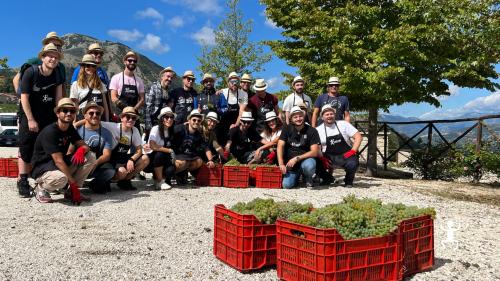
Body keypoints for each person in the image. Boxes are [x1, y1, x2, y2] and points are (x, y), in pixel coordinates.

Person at [17, 43, 64, 197]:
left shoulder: (57, 74)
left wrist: (59, 118)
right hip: (29, 113)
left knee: (47, 148)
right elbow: (24, 98)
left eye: (56, 57)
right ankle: (22, 180)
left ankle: (42, 180)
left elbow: (58, 99)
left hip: (48, 116)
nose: (53, 59)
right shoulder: (31, 72)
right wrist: (30, 119)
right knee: (26, 146)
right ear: (43, 57)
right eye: (50, 55)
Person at [31, 98, 96, 204]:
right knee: (62, 179)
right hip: (42, 167)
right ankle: (41, 188)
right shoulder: (50, 132)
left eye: (72, 111)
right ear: (58, 113)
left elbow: (85, 146)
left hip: (57, 164)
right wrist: (72, 181)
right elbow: (58, 161)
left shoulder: (70, 128)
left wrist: (81, 150)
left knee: (91, 156)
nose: (69, 113)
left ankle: (71, 192)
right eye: (65, 110)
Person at [102, 107, 149, 190]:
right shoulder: (113, 126)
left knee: (145, 159)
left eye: (133, 118)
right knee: (122, 172)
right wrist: (76, 124)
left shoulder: (135, 130)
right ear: (121, 118)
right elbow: (93, 121)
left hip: (123, 157)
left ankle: (125, 181)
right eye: (128, 117)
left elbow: (139, 150)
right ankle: (107, 180)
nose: (131, 120)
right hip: (111, 159)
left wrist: (131, 159)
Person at [316, 105, 362, 187]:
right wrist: (322, 158)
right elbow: (317, 147)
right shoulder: (318, 130)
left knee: (353, 163)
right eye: (327, 114)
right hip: (329, 157)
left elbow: (358, 136)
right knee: (314, 162)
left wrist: (353, 151)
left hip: (345, 155)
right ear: (322, 117)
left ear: (334, 115)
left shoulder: (343, 124)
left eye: (331, 114)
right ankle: (328, 178)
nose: (329, 116)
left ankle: (348, 181)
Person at [277, 106, 320, 189]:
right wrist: (281, 163)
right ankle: (296, 178)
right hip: (291, 164)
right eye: (295, 117)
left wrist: (297, 158)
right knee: (286, 185)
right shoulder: (286, 128)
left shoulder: (312, 131)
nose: (298, 119)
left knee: (309, 166)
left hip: (305, 160)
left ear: (304, 117)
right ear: (291, 119)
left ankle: (308, 177)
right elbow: (280, 146)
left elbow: (315, 152)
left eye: (300, 116)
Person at [77, 102, 115, 194]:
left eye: (97, 113)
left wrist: (95, 163)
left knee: (110, 171)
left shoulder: (106, 133)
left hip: (95, 165)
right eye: (91, 113)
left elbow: (107, 155)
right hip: (79, 165)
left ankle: (93, 184)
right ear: (85, 115)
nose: (95, 115)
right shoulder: (77, 131)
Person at [172, 110, 215, 184]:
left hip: (188, 157)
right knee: (184, 162)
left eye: (198, 120)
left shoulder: (199, 135)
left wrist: (211, 160)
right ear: (189, 120)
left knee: (199, 161)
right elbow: (167, 134)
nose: (196, 122)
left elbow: (206, 148)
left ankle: (182, 173)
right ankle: (165, 176)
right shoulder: (180, 129)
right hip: (176, 156)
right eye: (194, 120)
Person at [70, 43, 111, 120]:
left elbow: (106, 98)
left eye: (100, 54)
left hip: (100, 117)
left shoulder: (103, 72)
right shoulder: (77, 71)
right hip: (83, 118)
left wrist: (108, 118)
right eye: (95, 53)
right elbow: (74, 101)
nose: (98, 55)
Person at [143, 107, 176, 190]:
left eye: (171, 117)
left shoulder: (171, 130)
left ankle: (160, 179)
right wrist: (169, 150)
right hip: (153, 158)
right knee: (159, 154)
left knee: (171, 169)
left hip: (165, 158)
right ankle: (159, 180)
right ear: (162, 119)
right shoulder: (156, 129)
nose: (169, 119)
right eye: (166, 117)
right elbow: (153, 146)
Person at [109, 51, 145, 122]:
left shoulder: (139, 80)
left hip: (133, 116)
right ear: (125, 62)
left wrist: (133, 110)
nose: (132, 62)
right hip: (119, 114)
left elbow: (142, 99)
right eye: (130, 60)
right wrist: (125, 108)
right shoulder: (116, 77)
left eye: (134, 61)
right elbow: (113, 97)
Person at [216, 72, 248, 146]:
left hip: (236, 121)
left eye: (236, 82)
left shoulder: (243, 94)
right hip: (223, 122)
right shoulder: (223, 92)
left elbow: (241, 111)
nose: (234, 83)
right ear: (228, 83)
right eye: (232, 82)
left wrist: (236, 124)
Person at [144, 67, 175, 140]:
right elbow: (147, 108)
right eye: (168, 76)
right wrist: (148, 127)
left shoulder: (170, 91)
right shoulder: (153, 87)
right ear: (162, 77)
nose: (169, 79)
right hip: (153, 121)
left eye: (171, 77)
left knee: (163, 143)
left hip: (164, 124)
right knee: (151, 146)